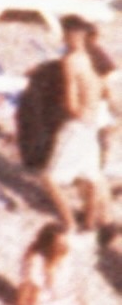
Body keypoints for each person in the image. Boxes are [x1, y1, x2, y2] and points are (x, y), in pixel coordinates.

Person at [41, 20, 112, 234]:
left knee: (49, 178)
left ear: (73, 35)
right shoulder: (97, 58)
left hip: (78, 124)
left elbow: (71, 103)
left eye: (65, 33)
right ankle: (89, 224)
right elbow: (106, 92)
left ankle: (69, 223)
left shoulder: (71, 61)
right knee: (90, 176)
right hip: (94, 121)